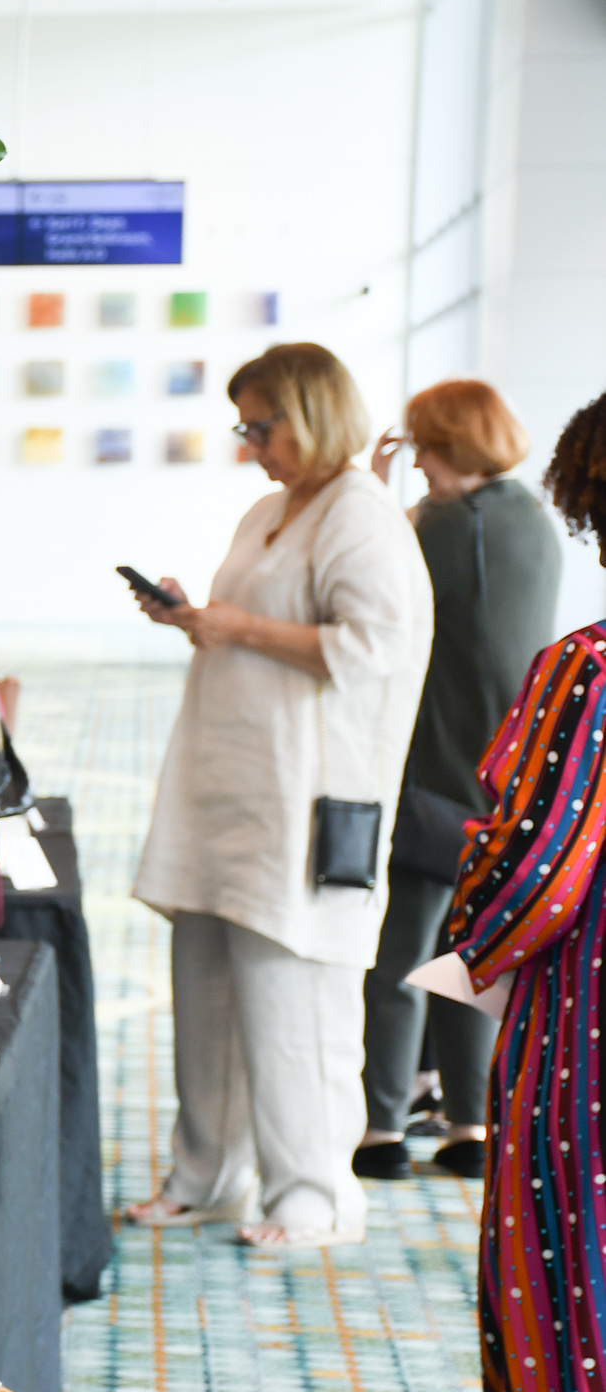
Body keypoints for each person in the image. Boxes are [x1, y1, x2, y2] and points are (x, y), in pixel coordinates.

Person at [123, 342, 432, 1248]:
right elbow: (255, 634)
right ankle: (208, 1173)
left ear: (318, 413)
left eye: (266, 426)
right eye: (244, 427)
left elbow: (374, 648)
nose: (253, 445)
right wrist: (199, 621)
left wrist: (238, 626)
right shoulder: (270, 508)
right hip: (228, 784)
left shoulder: (361, 517)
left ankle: (312, 1194)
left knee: (292, 995)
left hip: (307, 796)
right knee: (207, 985)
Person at [353, 380, 560, 1183]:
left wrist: (375, 492)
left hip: (431, 776)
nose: (423, 465)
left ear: (450, 448)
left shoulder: (437, 526)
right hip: (510, 783)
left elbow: (373, 581)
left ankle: (379, 1130)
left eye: (425, 449)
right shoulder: (534, 522)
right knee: (473, 958)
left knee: (400, 953)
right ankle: (469, 1122)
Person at [449, 389, 606, 1392]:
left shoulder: (588, 674)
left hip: (584, 1053)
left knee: (572, 1293)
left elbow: (529, 875)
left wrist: (465, 937)